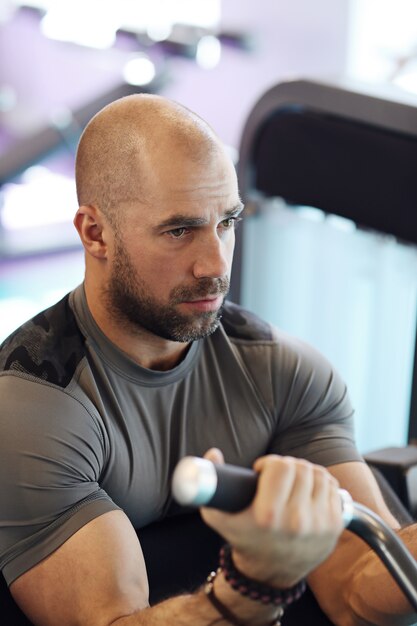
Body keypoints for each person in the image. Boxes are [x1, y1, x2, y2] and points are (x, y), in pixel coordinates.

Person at [0, 94, 415, 626]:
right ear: (94, 233)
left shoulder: (282, 372)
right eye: (180, 231)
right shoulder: (35, 405)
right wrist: (251, 586)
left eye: (228, 222)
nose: (215, 264)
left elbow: (362, 594)